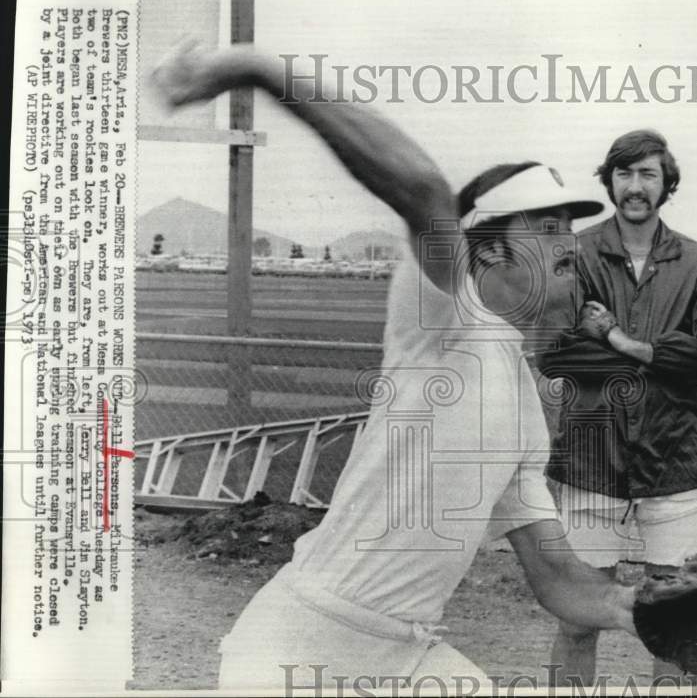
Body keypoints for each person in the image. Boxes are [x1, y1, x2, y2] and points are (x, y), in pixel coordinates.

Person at [152, 40, 651, 690]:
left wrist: (642, 610)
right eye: (547, 228)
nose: (571, 244)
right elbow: (420, 189)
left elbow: (559, 582)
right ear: (488, 253)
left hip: (407, 655)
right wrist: (261, 69)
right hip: (298, 647)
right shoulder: (445, 313)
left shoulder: (528, 409)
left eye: (570, 229)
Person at [540, 129, 697, 684]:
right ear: (609, 181)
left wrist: (626, 343)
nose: (635, 186)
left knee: (674, 623)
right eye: (624, 173)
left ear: (666, 183)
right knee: (578, 620)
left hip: (674, 461)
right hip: (590, 459)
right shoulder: (574, 255)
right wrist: (667, 357)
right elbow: (555, 352)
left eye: (647, 174)